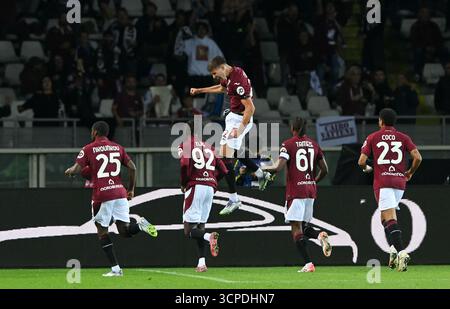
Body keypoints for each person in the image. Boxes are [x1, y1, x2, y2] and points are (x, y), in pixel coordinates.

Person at [64, 121, 158, 277]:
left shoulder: (88, 148)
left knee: (102, 231)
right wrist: (131, 189)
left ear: (94, 132)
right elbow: (133, 167)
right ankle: (140, 225)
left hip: (102, 194)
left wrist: (69, 171)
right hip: (120, 192)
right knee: (125, 231)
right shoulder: (117, 147)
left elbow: (77, 169)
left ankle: (116, 269)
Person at [190, 56, 272, 215]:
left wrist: (239, 130)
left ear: (221, 67)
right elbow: (222, 89)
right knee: (232, 153)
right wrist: (200, 90)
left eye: (214, 73)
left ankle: (234, 199)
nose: (214, 77)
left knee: (224, 157)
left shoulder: (237, 81)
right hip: (233, 118)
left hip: (241, 120)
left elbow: (250, 108)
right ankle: (262, 174)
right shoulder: (229, 75)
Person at [262, 117, 331, 273]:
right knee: (303, 226)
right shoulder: (314, 144)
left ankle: (308, 264)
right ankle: (319, 236)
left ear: (292, 127)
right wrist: (313, 181)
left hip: (296, 191)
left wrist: (261, 170)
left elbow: (278, 167)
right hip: (310, 190)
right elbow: (325, 170)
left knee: (295, 227)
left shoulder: (288, 144)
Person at [358, 108, 422, 272]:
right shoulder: (403, 137)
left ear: (380, 121)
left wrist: (366, 168)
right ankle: (394, 251)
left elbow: (361, 161)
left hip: (384, 182)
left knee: (390, 218)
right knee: (384, 219)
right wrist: (410, 172)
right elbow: (418, 157)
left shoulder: (373, 137)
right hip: (400, 182)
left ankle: (402, 252)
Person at [178, 121, 228, 272]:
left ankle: (209, 237)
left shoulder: (185, 144)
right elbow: (224, 170)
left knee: (188, 230)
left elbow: (184, 164)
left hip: (195, 186)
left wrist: (184, 182)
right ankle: (201, 263)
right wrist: (213, 182)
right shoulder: (209, 147)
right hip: (209, 188)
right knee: (200, 226)